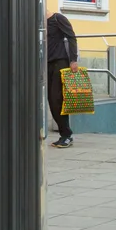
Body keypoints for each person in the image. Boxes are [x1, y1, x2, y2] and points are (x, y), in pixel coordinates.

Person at [46, 9, 78, 146]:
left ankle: (66, 135)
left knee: (56, 99)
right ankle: (64, 134)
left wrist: (73, 60)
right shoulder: (38, 23)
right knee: (50, 99)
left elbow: (71, 36)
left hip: (60, 62)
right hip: (46, 64)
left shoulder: (57, 18)